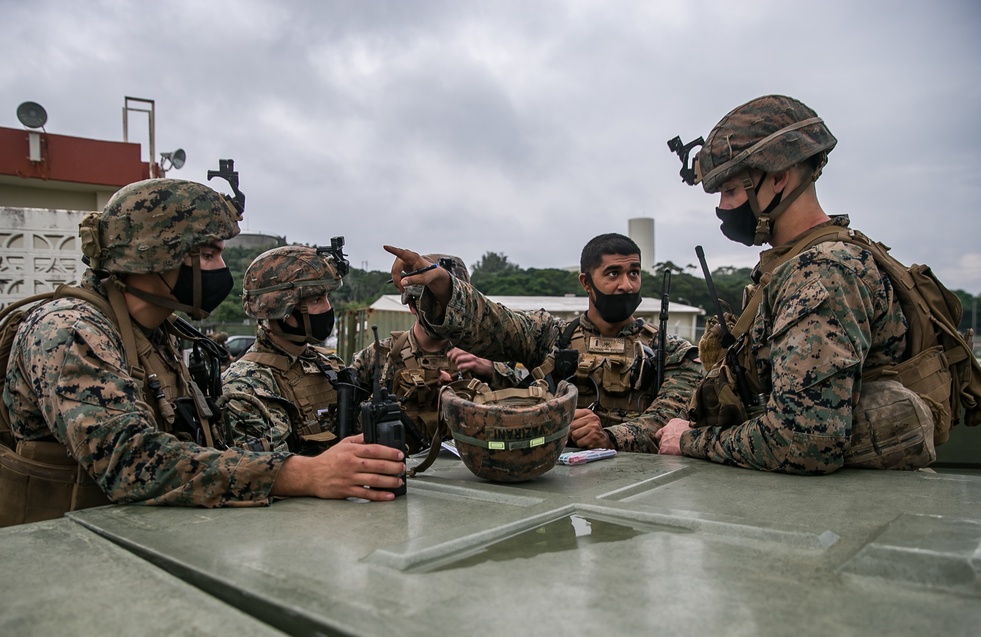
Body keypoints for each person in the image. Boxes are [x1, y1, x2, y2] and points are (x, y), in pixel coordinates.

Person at [0, 179, 403, 527]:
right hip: (62, 548)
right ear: (154, 255)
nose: (221, 268)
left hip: (138, 537)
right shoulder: (70, 330)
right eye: (209, 254)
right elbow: (127, 461)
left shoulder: (161, 335)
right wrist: (301, 473)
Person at [656, 94, 913, 473]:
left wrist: (689, 440)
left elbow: (802, 442)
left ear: (778, 178)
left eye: (730, 191)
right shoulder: (795, 265)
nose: (723, 208)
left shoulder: (822, 273)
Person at [385, 233, 702, 454]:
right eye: (613, 273)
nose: (626, 285)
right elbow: (497, 324)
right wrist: (442, 283)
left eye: (634, 273)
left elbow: (669, 419)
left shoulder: (670, 351)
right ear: (586, 282)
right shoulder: (551, 334)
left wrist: (609, 437)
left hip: (638, 489)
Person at [351, 253, 519, 454]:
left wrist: (490, 370)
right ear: (413, 306)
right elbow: (348, 420)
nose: (447, 315)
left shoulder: (484, 353)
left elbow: (522, 406)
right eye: (437, 305)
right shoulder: (380, 356)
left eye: (453, 305)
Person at [222, 244, 349, 456]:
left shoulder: (330, 365)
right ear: (283, 309)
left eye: (327, 297)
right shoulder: (244, 385)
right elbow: (264, 472)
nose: (328, 308)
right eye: (317, 299)